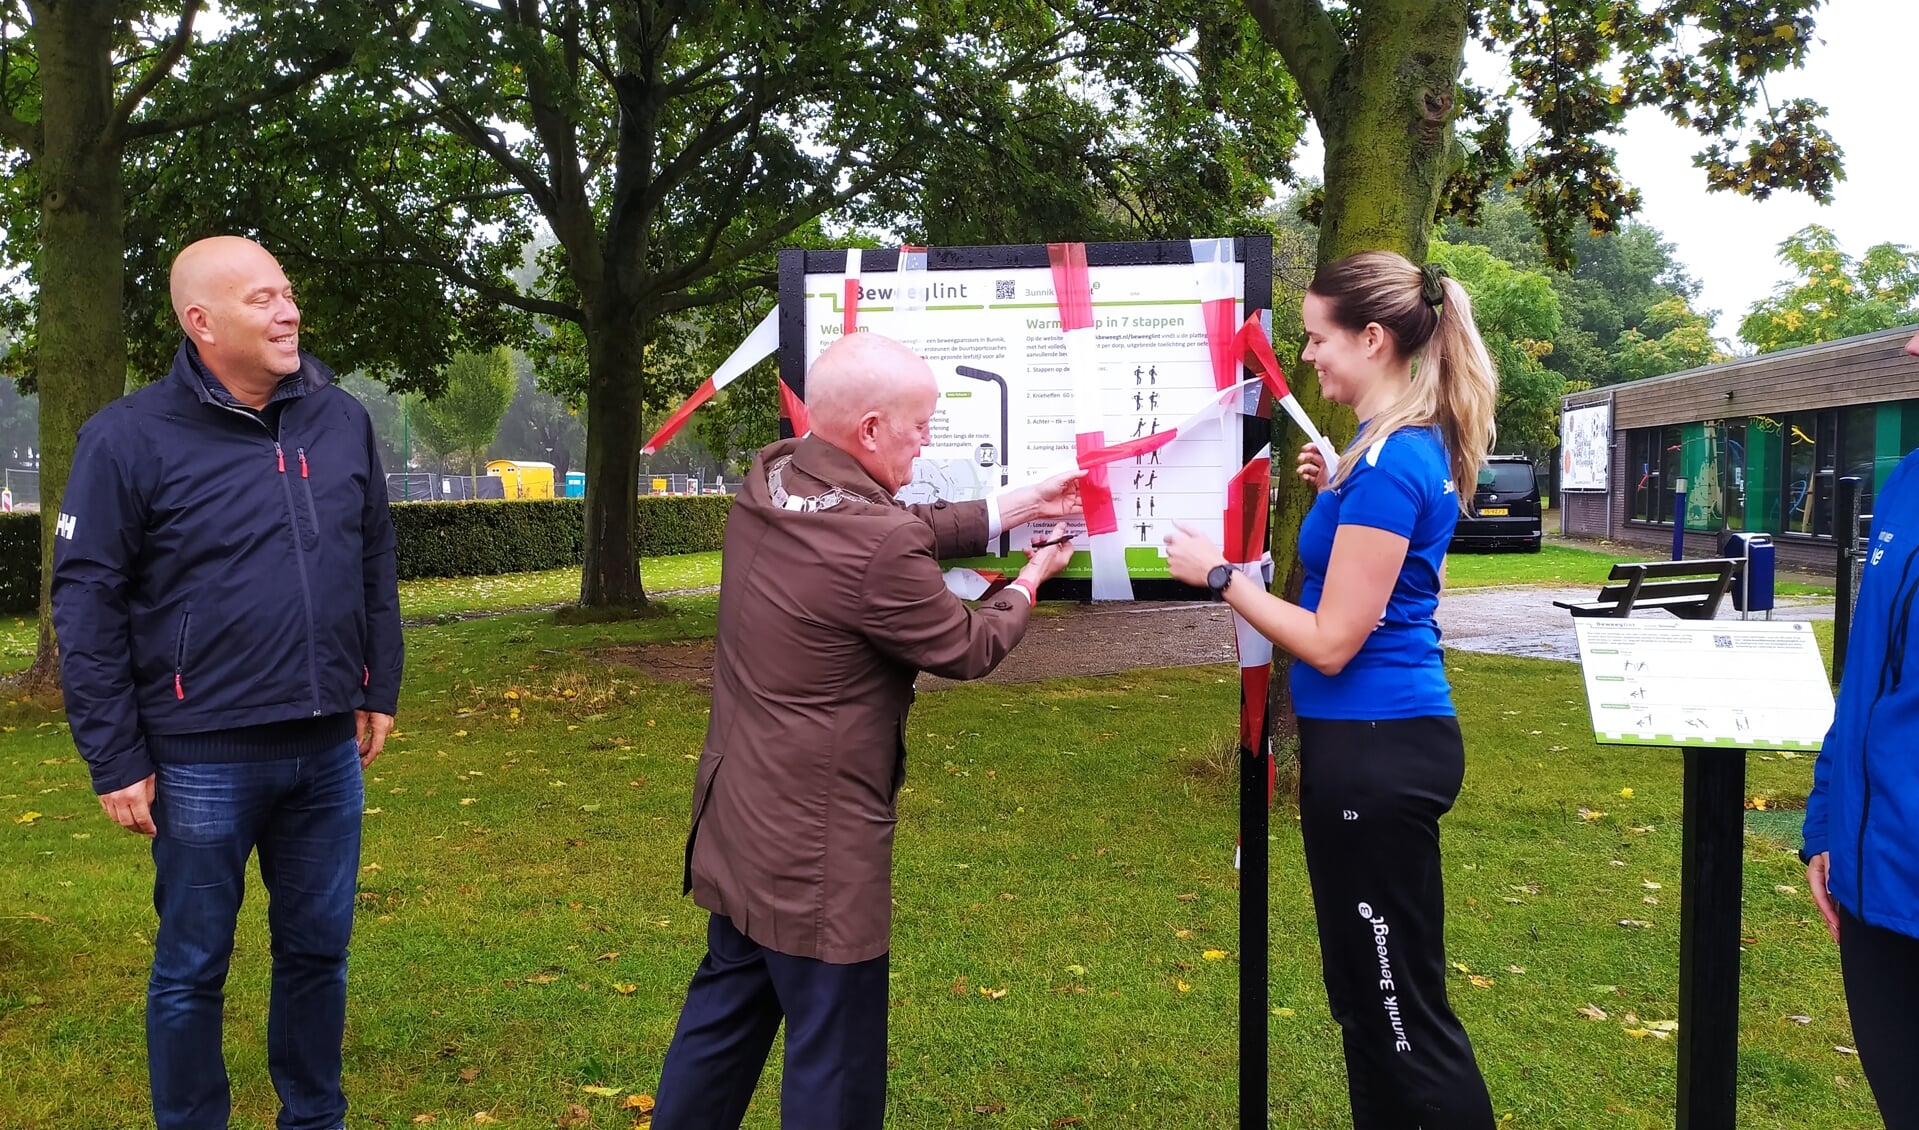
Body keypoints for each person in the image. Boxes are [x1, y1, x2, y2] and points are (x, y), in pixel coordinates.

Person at [652, 331, 1081, 1129]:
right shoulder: (874, 540)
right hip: (818, 850)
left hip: (742, 815)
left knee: (723, 1020)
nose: (928, 442)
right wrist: (1028, 577)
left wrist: (1016, 504)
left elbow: (891, 526)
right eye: (919, 426)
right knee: (835, 1060)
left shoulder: (775, 473)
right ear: (873, 430)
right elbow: (964, 646)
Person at [51, 236, 402, 1130]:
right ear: (200, 322)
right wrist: (113, 754)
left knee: (319, 955)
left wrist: (379, 684)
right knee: (192, 967)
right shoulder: (126, 436)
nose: (288, 312)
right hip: (199, 755)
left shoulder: (341, 418)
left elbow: (373, 560)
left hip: (327, 753)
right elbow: (85, 600)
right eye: (261, 299)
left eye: (287, 293)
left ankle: (314, 1117)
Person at [1166, 251, 1499, 1130]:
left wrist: (1219, 578)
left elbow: (1332, 641)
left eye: (1318, 338)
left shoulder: (1392, 463)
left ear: (1374, 338)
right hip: (1368, 748)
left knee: (1398, 1014)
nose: (1308, 355)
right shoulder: (1376, 455)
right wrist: (1334, 485)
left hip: (1378, 753)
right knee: (1362, 997)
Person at [1803, 327, 1919, 1129]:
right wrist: (1826, 825)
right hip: (1874, 888)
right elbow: (1864, 686)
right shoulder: (1909, 481)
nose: (1910, 348)